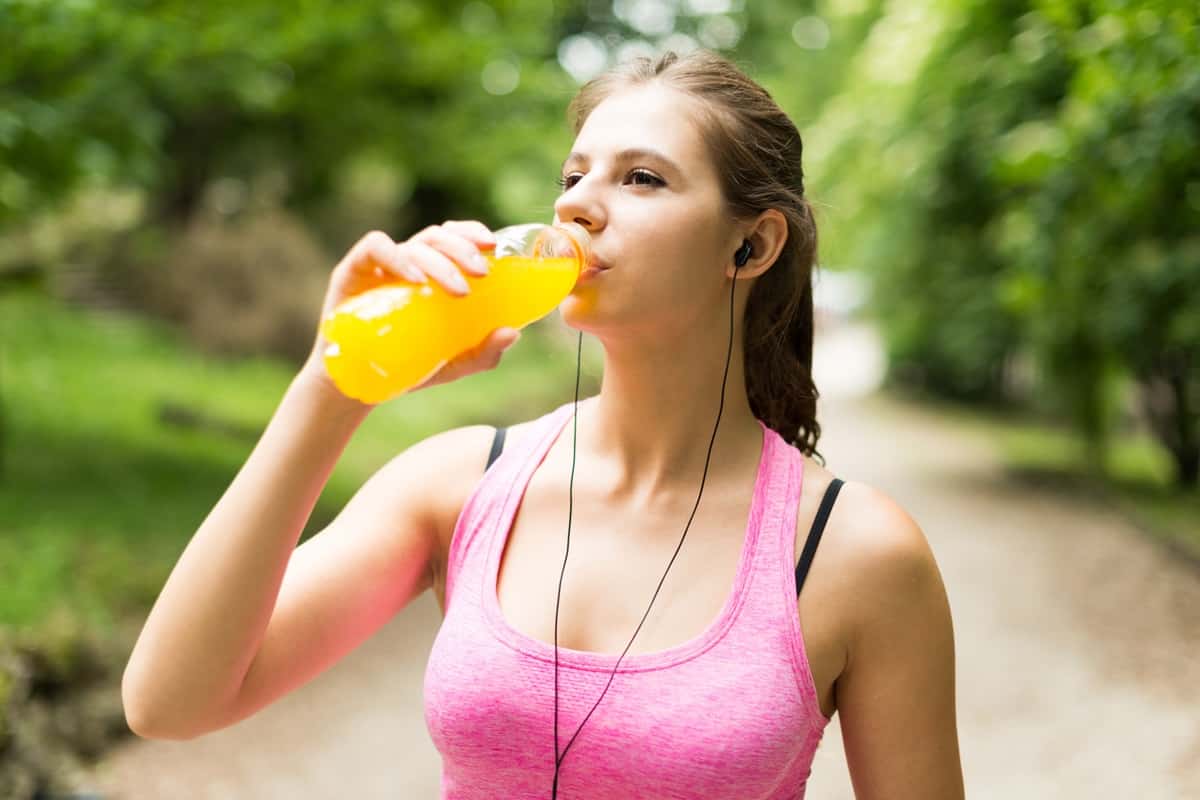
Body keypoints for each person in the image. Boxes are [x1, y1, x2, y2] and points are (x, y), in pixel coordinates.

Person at [122, 49, 964, 798]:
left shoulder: (856, 555)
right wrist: (333, 386)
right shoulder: (463, 484)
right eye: (572, 178)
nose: (580, 208)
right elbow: (170, 701)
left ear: (753, 245)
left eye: (641, 179)